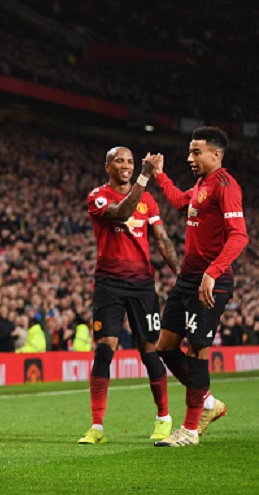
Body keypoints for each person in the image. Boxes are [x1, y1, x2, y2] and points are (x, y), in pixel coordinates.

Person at [150, 127, 248, 447]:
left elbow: (239, 235)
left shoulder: (225, 185)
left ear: (215, 154)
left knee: (196, 349)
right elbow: (181, 203)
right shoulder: (202, 184)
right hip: (188, 279)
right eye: (190, 151)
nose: (190, 157)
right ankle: (207, 402)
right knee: (165, 345)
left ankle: (190, 430)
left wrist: (213, 272)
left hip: (211, 282)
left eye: (196, 152)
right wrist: (161, 176)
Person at [78, 148, 180, 445]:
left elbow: (161, 239)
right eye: (120, 161)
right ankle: (97, 426)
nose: (126, 165)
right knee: (104, 349)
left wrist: (181, 274)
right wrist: (145, 175)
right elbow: (121, 212)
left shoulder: (148, 201)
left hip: (142, 286)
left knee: (149, 351)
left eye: (131, 162)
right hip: (108, 284)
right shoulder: (98, 196)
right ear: (107, 165)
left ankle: (163, 418)